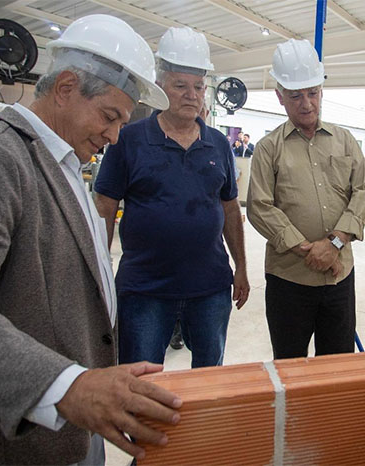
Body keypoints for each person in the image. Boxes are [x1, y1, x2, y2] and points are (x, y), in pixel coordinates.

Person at [0, 15, 182, 465]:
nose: (114, 135)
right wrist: (68, 386)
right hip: (11, 439)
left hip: (70, 429)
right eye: (109, 116)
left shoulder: (61, 164)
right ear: (65, 87)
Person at [94, 26, 249, 369]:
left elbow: (230, 207)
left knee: (209, 377)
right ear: (161, 87)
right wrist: (100, 271)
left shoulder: (220, 145)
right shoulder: (129, 140)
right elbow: (105, 206)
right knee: (139, 379)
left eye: (198, 87)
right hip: (145, 289)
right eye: (181, 85)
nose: (191, 95)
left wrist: (241, 268)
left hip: (210, 288)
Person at [247, 38, 365, 359]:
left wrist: (333, 244)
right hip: (289, 281)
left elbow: (364, 191)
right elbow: (260, 207)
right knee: (289, 365)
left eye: (313, 93)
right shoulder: (268, 148)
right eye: (296, 95)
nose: (306, 103)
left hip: (338, 279)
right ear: (280, 97)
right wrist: (309, 249)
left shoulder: (344, 140)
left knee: (336, 367)